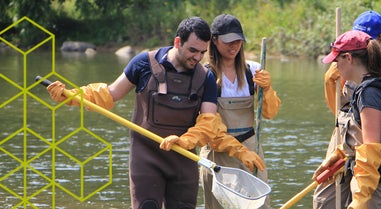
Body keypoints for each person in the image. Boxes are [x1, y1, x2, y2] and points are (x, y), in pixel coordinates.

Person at [46, 16, 265, 209]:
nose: (197, 57)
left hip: (183, 159)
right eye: (192, 50)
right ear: (177, 42)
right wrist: (70, 96)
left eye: (201, 52)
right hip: (146, 157)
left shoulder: (205, 77)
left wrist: (184, 140)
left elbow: (209, 123)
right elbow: (109, 94)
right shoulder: (144, 63)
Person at [313, 11, 381, 209]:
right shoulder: (365, 86)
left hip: (375, 180)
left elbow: (371, 149)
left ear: (349, 58)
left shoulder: (370, 93)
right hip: (355, 158)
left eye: (337, 61)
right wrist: (340, 153)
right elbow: (341, 115)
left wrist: (359, 200)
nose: (335, 66)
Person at [198, 14, 281, 209]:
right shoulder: (205, 74)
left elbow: (270, 113)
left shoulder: (254, 71)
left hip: (251, 149)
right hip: (217, 152)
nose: (234, 46)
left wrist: (267, 90)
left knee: (259, 205)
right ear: (214, 40)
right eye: (228, 41)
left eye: (238, 41)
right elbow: (204, 125)